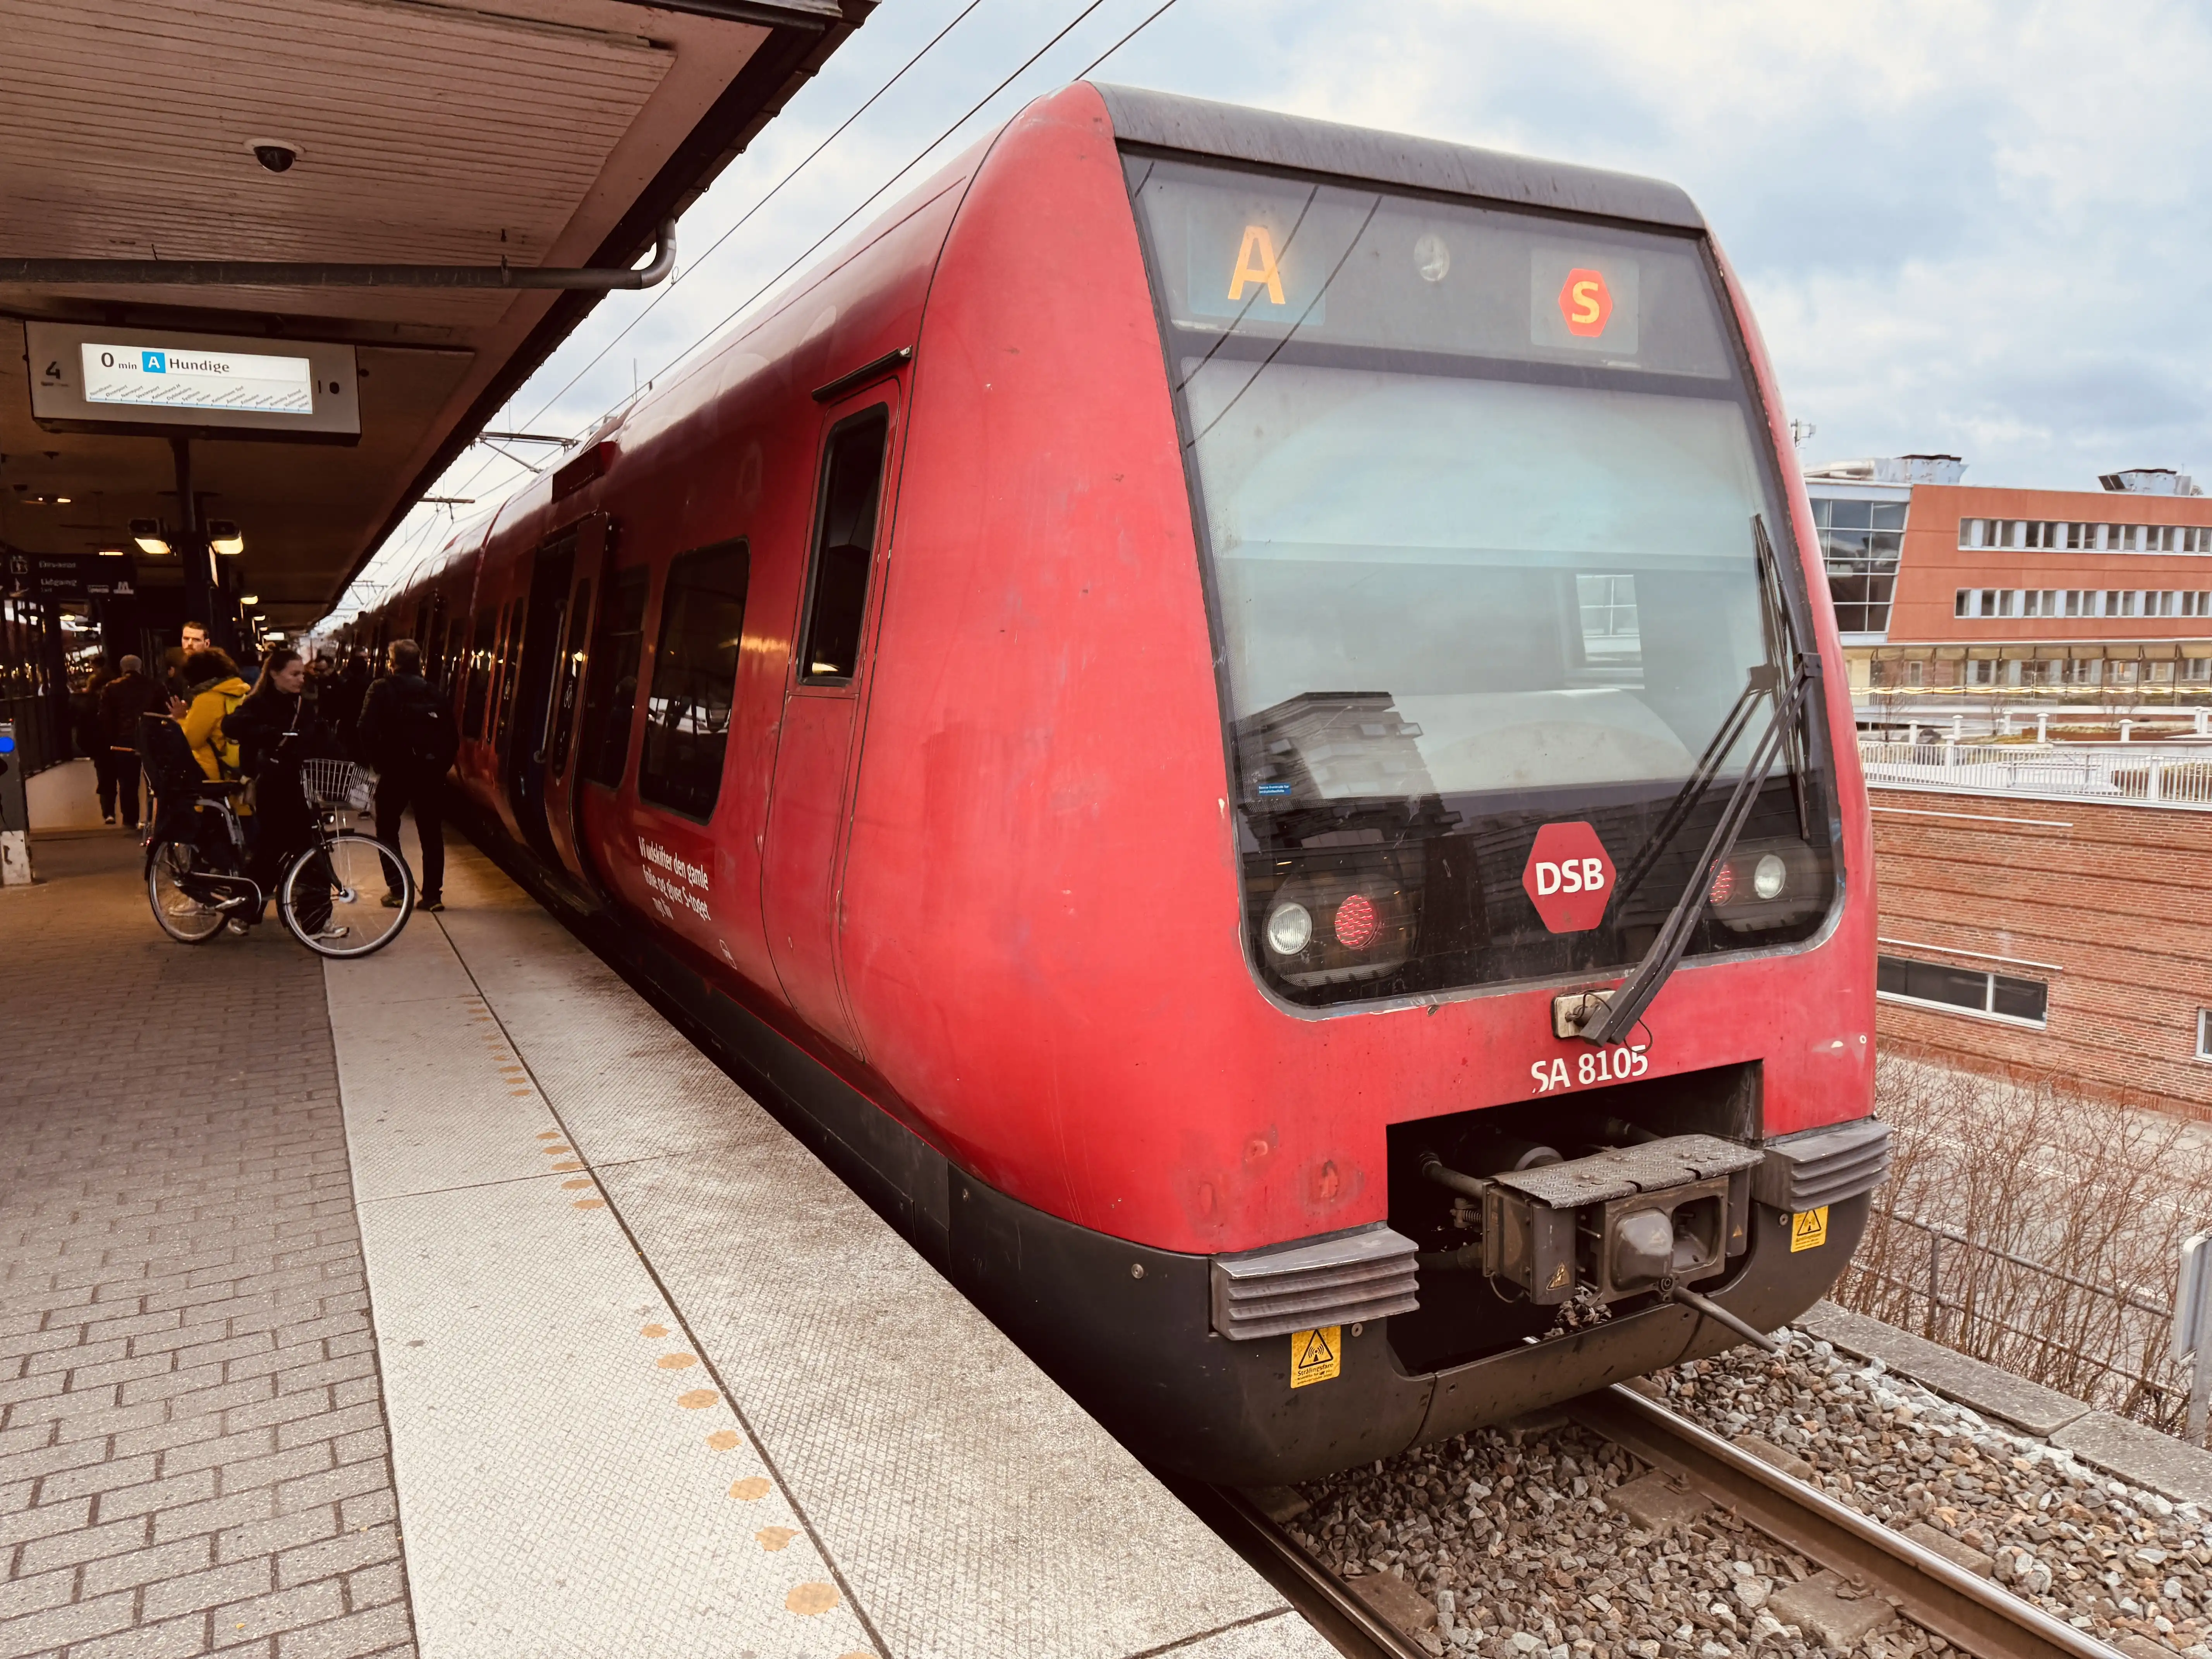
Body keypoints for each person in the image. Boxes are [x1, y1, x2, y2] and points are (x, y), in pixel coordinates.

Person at [357, 638, 455, 912]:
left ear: (393, 662)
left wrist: (378, 764)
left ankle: (399, 890)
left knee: (387, 830)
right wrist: (439, 768)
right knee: (432, 835)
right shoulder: (434, 692)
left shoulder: (381, 688)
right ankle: (433, 896)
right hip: (429, 774)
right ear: (419, 662)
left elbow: (364, 728)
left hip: (395, 772)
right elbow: (451, 736)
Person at [97, 655, 162, 830]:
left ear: (122, 668)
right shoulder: (155, 686)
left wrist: (111, 740)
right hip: (151, 738)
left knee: (128, 782)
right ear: (140, 667)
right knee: (155, 781)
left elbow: (106, 719)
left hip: (124, 741)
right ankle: (154, 819)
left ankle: (130, 820)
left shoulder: (111, 688)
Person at [177, 647, 251, 791]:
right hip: (242, 769)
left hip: (216, 777)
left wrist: (180, 719)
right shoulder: (241, 691)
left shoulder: (208, 699)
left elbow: (191, 740)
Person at [164, 621, 213, 714]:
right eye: (186, 639)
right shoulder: (172, 657)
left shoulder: (215, 663)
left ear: (207, 644)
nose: (190, 643)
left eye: (196, 640)